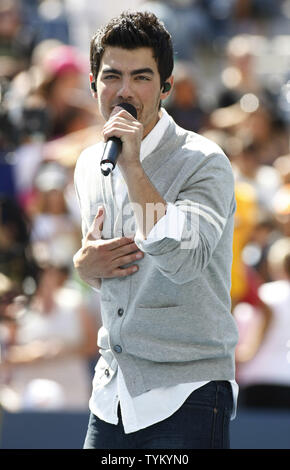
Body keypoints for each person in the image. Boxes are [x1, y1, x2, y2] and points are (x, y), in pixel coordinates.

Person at [73, 11, 239, 450]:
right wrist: (83, 266)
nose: (124, 91)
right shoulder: (89, 163)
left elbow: (184, 260)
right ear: (93, 83)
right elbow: (108, 269)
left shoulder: (204, 161)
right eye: (112, 76)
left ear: (166, 86)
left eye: (141, 77)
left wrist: (133, 166)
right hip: (111, 395)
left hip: (187, 393)